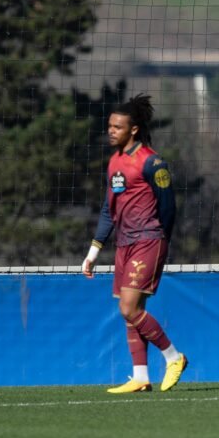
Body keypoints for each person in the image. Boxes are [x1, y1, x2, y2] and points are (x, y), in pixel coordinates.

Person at [82, 94, 188, 393]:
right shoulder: (114, 162)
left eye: (117, 127)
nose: (111, 131)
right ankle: (141, 377)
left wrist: (160, 241)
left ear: (134, 130)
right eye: (110, 126)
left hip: (148, 240)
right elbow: (109, 209)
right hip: (124, 243)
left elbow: (168, 208)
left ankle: (174, 357)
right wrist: (93, 251)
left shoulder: (153, 163)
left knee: (129, 308)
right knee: (131, 310)